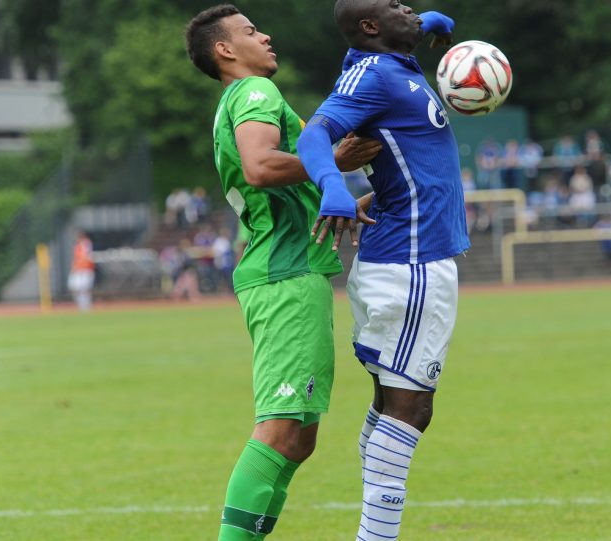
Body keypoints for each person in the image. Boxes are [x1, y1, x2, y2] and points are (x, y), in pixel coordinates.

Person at [184, 5, 382, 540]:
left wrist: (332, 195)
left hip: (289, 272)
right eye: (250, 32)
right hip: (284, 275)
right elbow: (260, 166)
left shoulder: (242, 99)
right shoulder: (254, 94)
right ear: (225, 50)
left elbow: (276, 178)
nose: (265, 35)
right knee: (279, 430)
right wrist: (334, 163)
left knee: (299, 437)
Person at [295, 3, 468, 539]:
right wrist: (332, 187)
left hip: (402, 259)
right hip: (411, 263)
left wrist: (429, 26)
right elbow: (312, 136)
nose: (408, 8)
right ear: (370, 27)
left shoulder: (391, 64)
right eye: (395, 5)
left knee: (392, 402)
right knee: (410, 409)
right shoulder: (372, 76)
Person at [67, 230, 96, 311]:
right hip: (78, 269)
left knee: (84, 288)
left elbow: (86, 256)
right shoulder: (78, 245)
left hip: (86, 269)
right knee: (74, 286)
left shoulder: (86, 244)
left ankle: (85, 306)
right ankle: (81, 304)